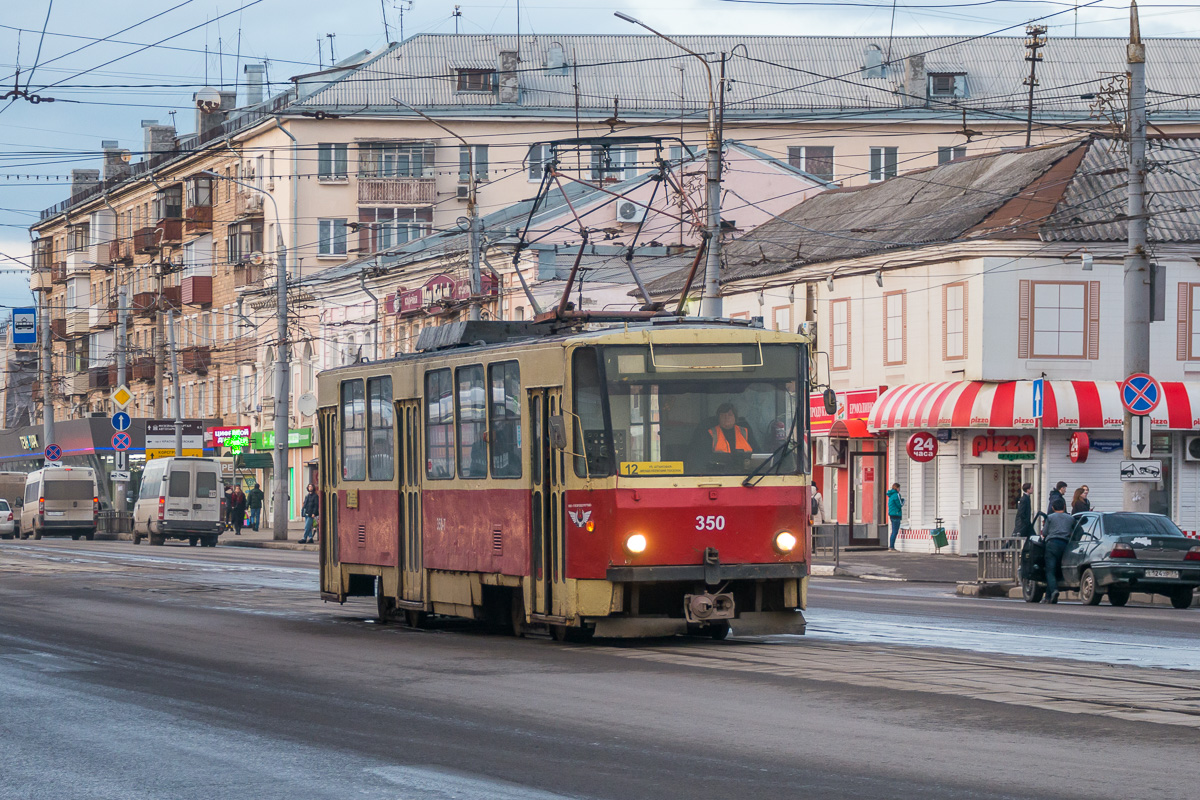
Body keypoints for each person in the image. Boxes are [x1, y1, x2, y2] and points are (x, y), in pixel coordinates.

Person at [1041, 498, 1076, 604]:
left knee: (1050, 571)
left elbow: (1045, 532)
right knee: (1057, 570)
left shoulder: (1050, 517)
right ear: (1064, 507)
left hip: (1052, 545)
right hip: (1065, 546)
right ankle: (1048, 597)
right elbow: (1075, 531)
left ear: (1052, 508)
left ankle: (1054, 590)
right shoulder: (1070, 518)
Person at [886, 482, 904, 550]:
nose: (899, 489)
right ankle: (892, 547)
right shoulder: (897, 495)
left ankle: (891, 546)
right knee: (895, 531)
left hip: (891, 514)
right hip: (896, 514)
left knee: (893, 531)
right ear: (897, 488)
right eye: (899, 488)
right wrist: (903, 501)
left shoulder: (891, 495)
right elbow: (900, 505)